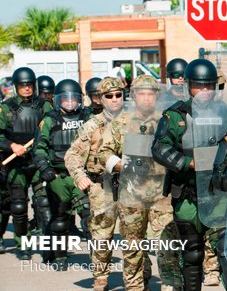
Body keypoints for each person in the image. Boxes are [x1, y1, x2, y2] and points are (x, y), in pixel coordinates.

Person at [152, 58, 227, 291]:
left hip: (218, 194)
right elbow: (159, 148)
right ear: (188, 86)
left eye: (208, 86)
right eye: (199, 86)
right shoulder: (175, 116)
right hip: (188, 195)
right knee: (192, 251)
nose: (204, 91)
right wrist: (187, 162)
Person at [98, 75, 182, 291]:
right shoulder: (120, 123)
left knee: (168, 244)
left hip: (161, 194)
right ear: (134, 96)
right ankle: (134, 286)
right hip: (131, 195)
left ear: (156, 96)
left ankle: (170, 285)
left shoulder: (167, 120)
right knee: (133, 246)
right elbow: (104, 152)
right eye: (141, 93)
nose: (146, 98)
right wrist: (119, 165)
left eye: (150, 94)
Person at [64, 77, 125, 291]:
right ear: (100, 98)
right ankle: (100, 278)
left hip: (132, 186)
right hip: (102, 186)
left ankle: (140, 278)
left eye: (119, 95)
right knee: (101, 235)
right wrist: (80, 175)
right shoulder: (92, 125)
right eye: (109, 96)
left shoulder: (135, 121)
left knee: (136, 236)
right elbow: (71, 155)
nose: (115, 99)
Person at [33, 78, 92, 269]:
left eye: (73, 99)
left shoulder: (87, 118)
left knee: (89, 216)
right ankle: (59, 256)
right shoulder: (50, 120)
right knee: (60, 220)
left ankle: (98, 259)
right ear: (58, 100)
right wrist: (45, 169)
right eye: (65, 99)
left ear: (79, 100)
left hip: (81, 176)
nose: (69, 102)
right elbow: (39, 148)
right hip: (58, 176)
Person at [0, 67, 53, 259]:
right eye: (23, 85)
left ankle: (50, 247)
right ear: (16, 87)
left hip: (38, 161)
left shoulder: (44, 106)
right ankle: (23, 244)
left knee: (44, 204)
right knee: (19, 207)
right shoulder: (6, 108)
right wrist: (11, 145)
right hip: (16, 165)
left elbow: (53, 126)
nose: (27, 88)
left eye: (30, 85)